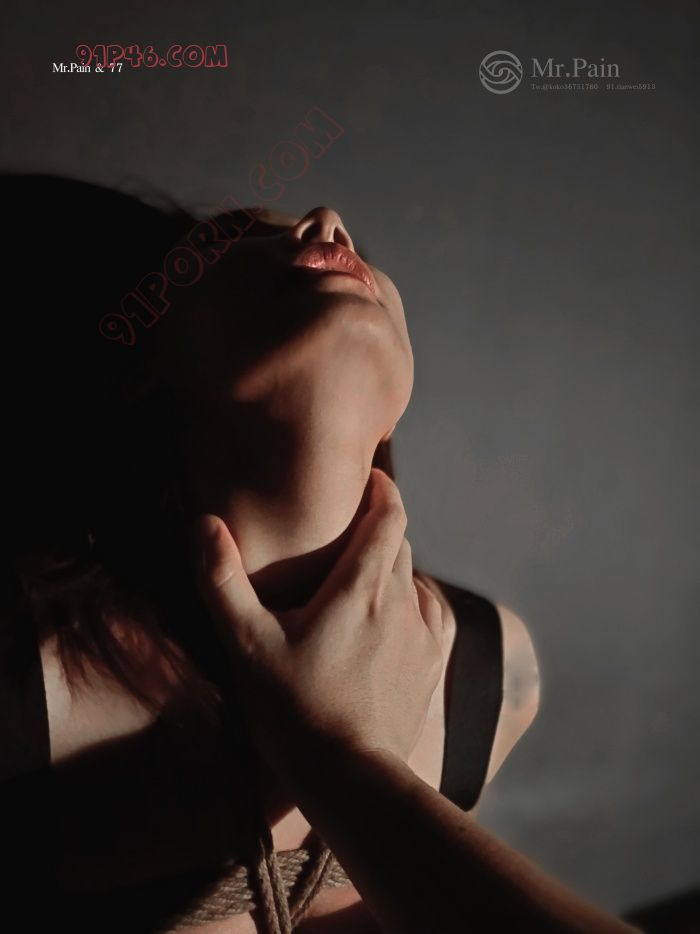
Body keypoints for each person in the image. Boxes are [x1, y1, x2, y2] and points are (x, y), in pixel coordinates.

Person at [0, 174, 549, 931]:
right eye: (237, 242)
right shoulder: (25, 689)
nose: (328, 220)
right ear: (143, 368)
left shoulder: (495, 675)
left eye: (353, 250)